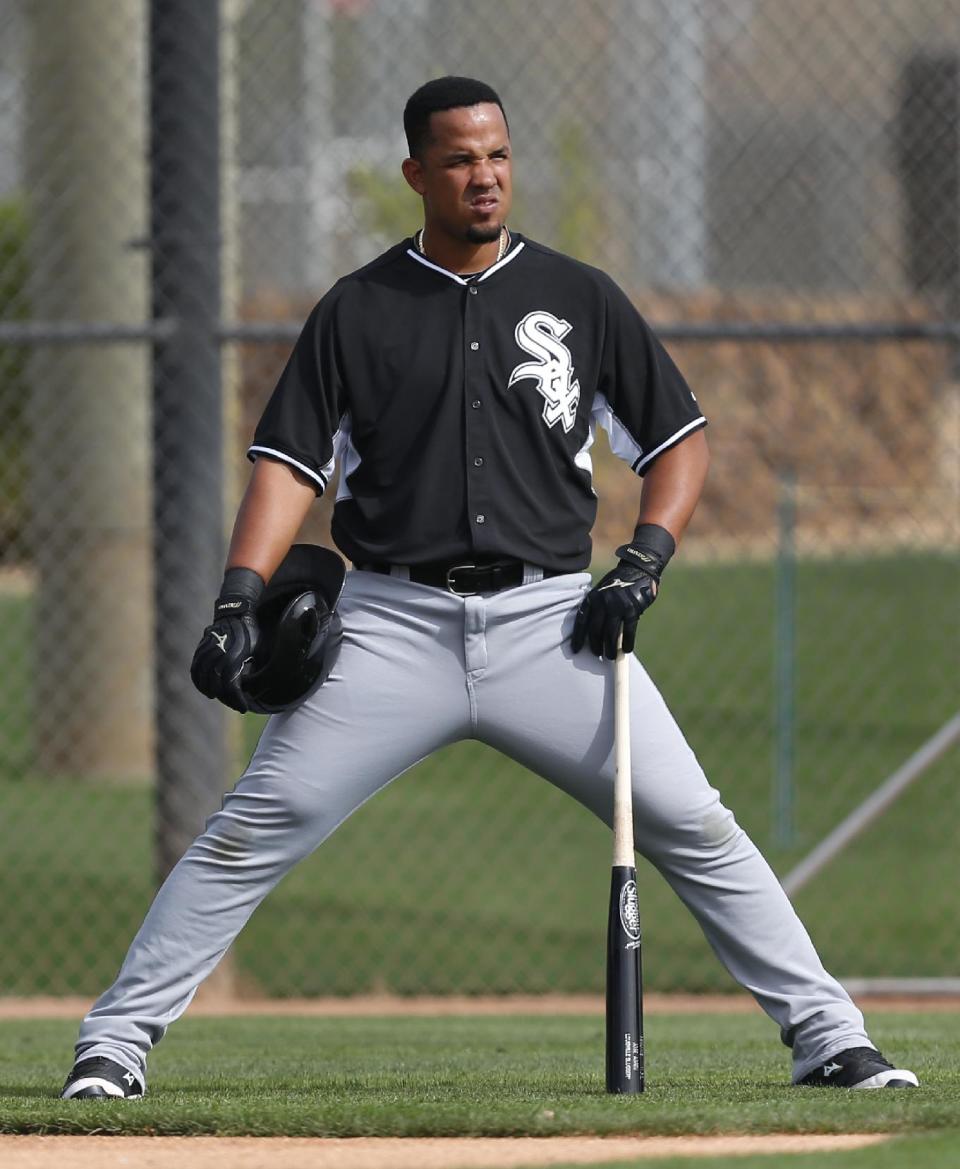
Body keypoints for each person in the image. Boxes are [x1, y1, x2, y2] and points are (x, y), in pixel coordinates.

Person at [60, 75, 917, 1100]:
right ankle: (114, 1042)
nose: (485, 175)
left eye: (498, 155)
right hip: (389, 623)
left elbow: (680, 446)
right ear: (417, 172)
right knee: (254, 823)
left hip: (554, 625)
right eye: (461, 159)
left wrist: (640, 566)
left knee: (693, 821)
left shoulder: (580, 296)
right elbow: (291, 465)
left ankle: (832, 1036)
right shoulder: (359, 308)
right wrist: (238, 594)